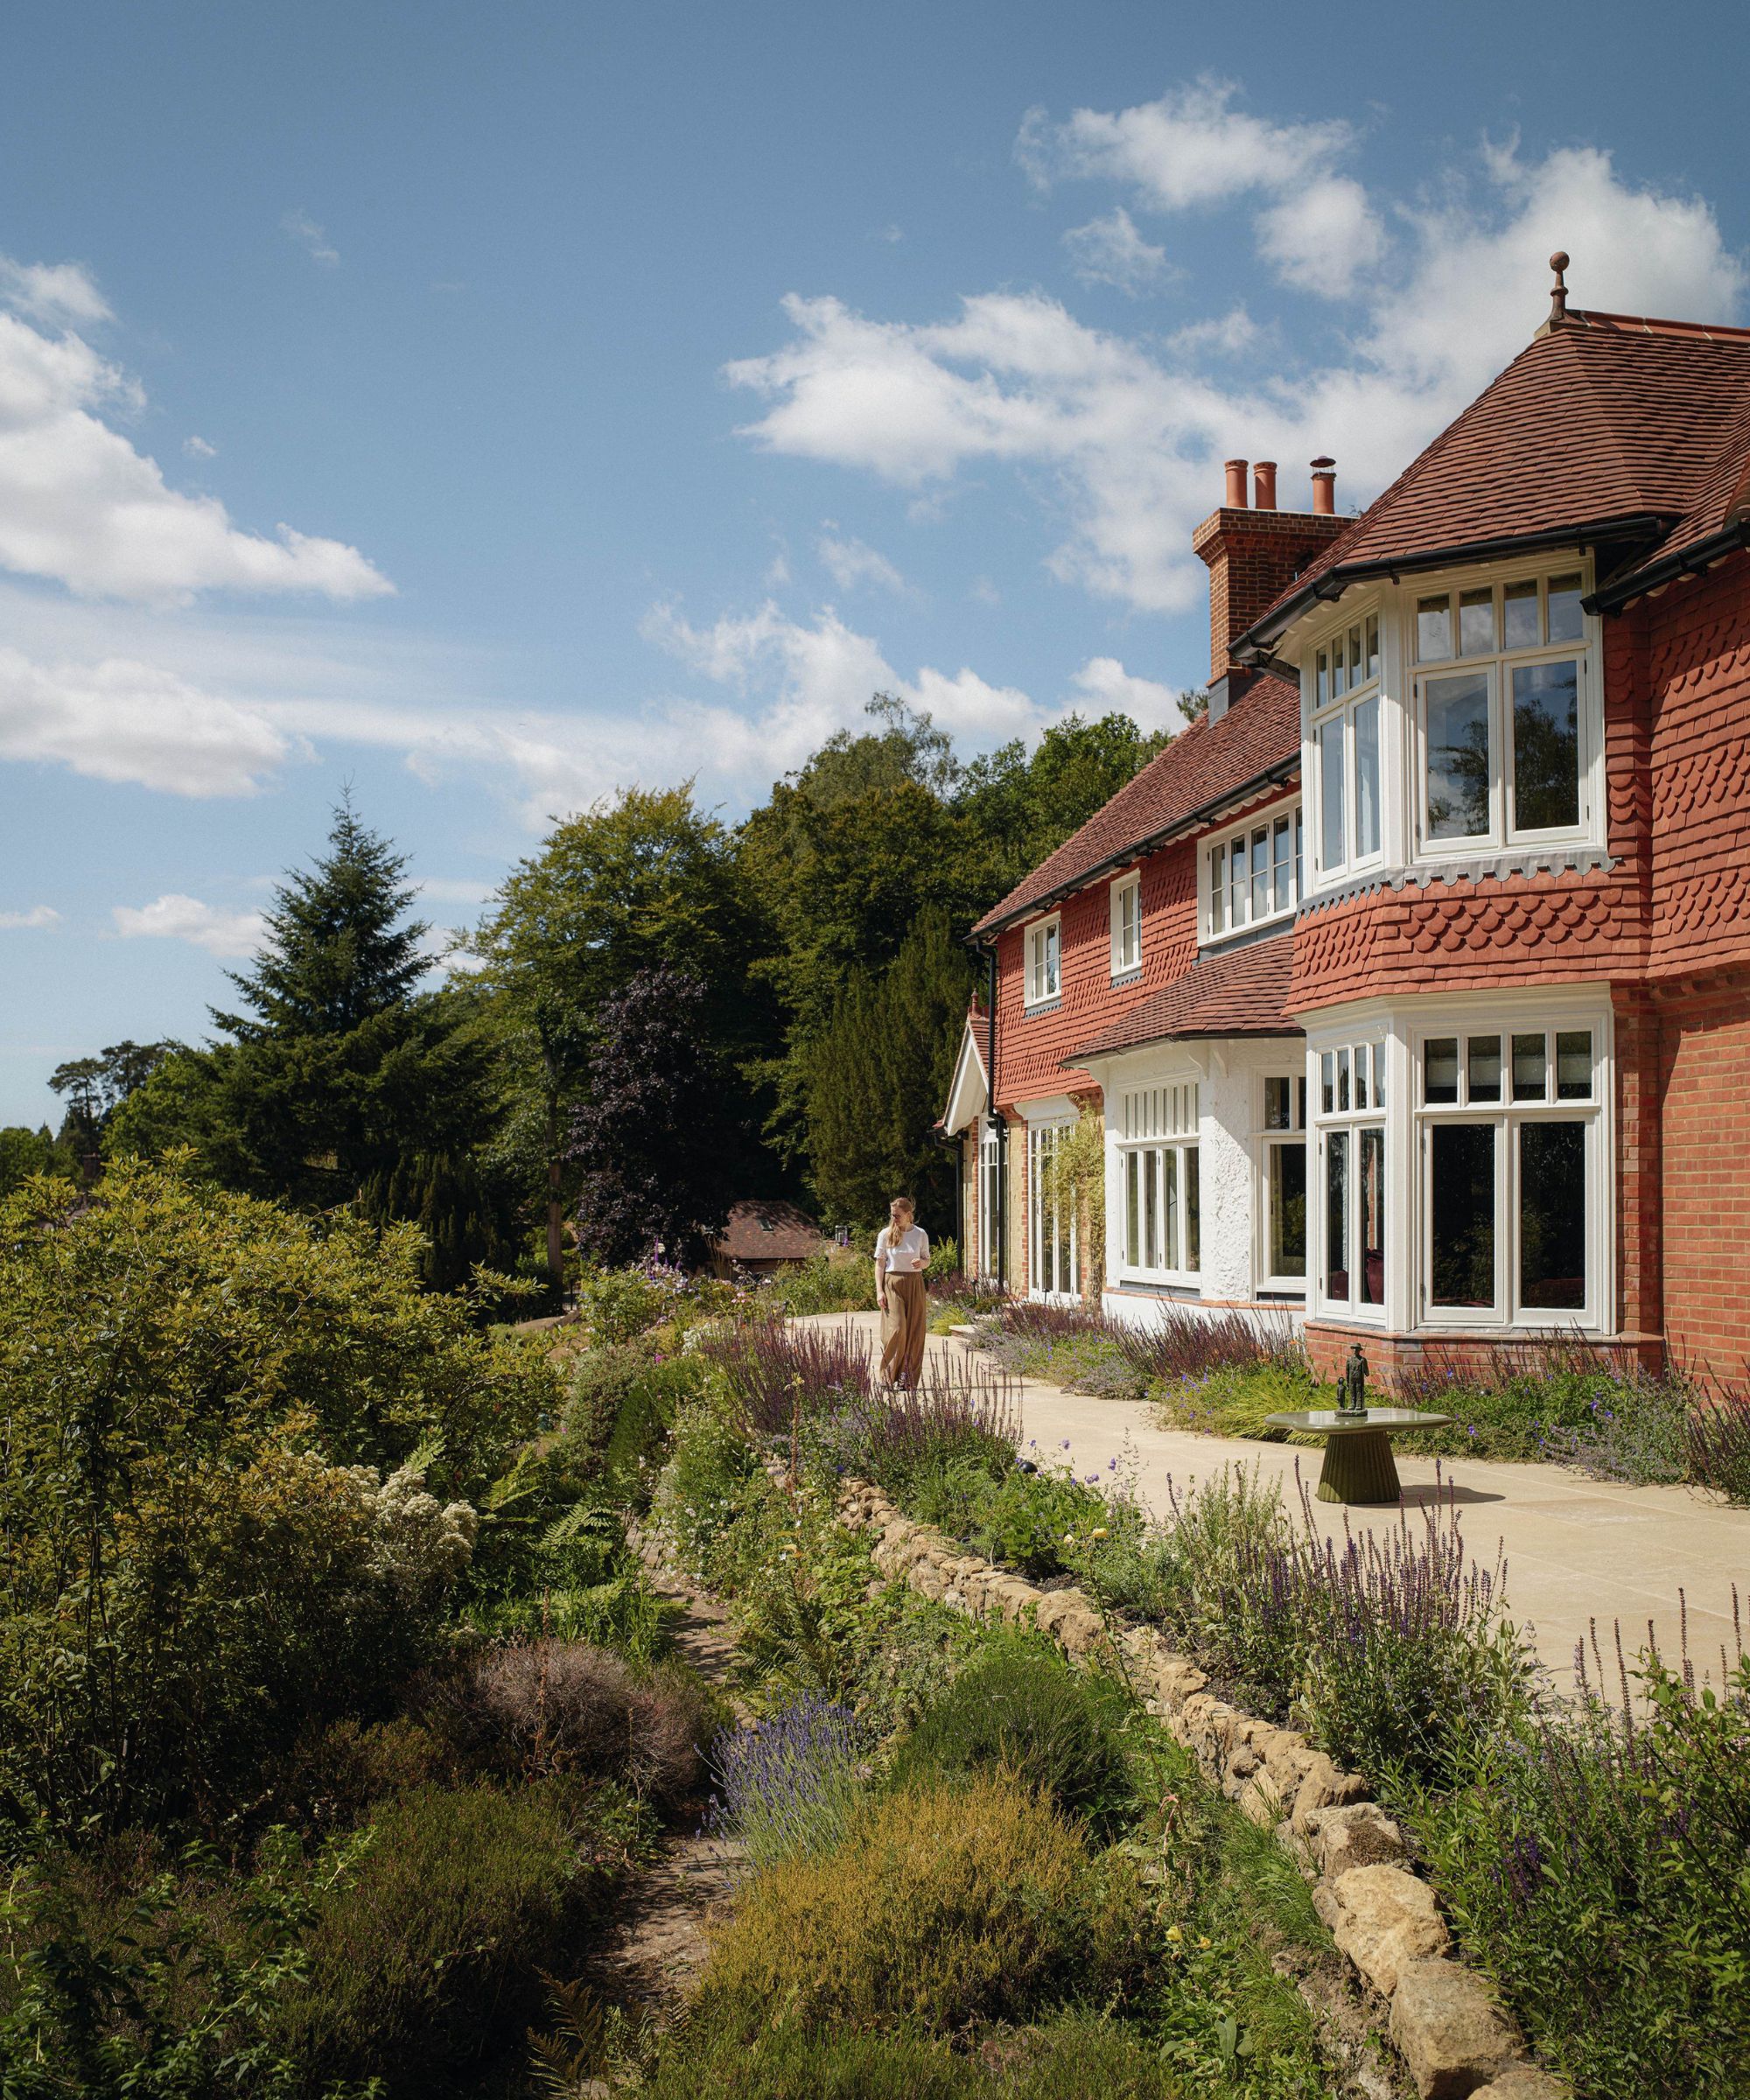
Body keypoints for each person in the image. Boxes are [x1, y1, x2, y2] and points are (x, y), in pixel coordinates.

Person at [875, 1195, 929, 1388]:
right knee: (898, 1329)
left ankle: (908, 1380)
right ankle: (887, 1376)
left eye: (897, 1216)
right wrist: (879, 1290)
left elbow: (927, 1260)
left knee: (915, 1332)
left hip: (915, 1283)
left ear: (908, 1214)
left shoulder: (920, 1234)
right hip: (892, 1284)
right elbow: (880, 1264)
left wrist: (921, 1263)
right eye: (892, 1215)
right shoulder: (885, 1234)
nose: (894, 1219)